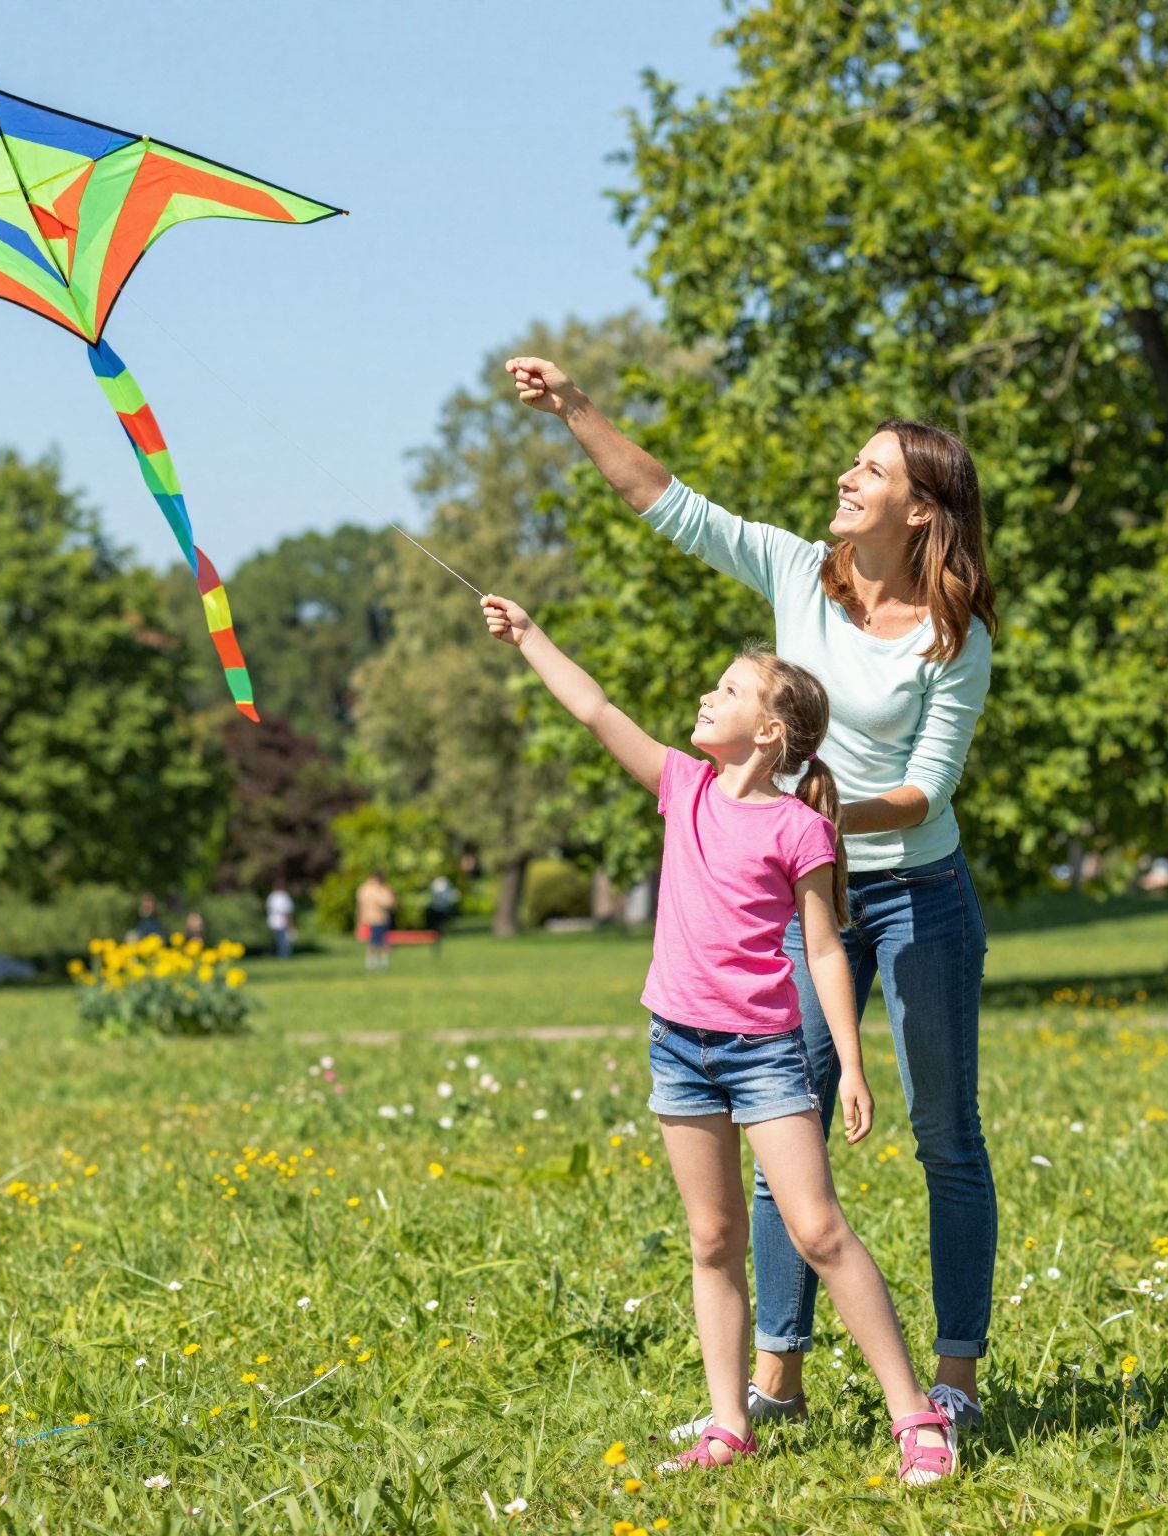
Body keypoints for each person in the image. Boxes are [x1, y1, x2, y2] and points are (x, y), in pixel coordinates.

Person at [508, 355, 998, 1440]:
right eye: (852, 463)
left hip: (912, 890)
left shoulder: (952, 638)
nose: (845, 478)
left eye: (869, 470)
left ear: (919, 509)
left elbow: (925, 791)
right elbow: (660, 500)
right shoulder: (793, 569)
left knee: (944, 1137)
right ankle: (776, 1376)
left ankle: (952, 1375)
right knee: (790, 1128)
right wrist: (573, 408)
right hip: (799, 893)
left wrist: (815, 816)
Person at [482, 591, 955, 1484]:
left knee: (818, 1229)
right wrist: (531, 637)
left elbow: (822, 949)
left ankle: (915, 1416)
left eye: (728, 690)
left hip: (766, 1053)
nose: (707, 697)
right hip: (680, 1048)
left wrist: (850, 1063)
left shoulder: (801, 826)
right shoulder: (682, 785)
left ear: (771, 732)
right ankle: (728, 1424)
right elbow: (593, 709)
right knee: (711, 1238)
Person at [354, 870, 396, 972]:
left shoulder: (370, 889)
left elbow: (391, 903)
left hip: (380, 918)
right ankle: (374, 962)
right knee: (376, 942)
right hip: (375, 919)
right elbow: (387, 902)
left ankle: (378, 962)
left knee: (379, 942)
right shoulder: (371, 889)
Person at [424, 874, 459, 947]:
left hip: (441, 908)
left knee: (438, 926)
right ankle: (436, 937)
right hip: (438, 908)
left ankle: (437, 937)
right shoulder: (438, 883)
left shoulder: (439, 883)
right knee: (436, 926)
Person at [266, 879, 297, 960]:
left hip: (276, 922)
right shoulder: (282, 896)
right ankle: (283, 955)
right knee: (283, 940)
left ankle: (283, 955)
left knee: (282, 940)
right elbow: (287, 911)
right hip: (280, 921)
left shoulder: (273, 896)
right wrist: (290, 923)